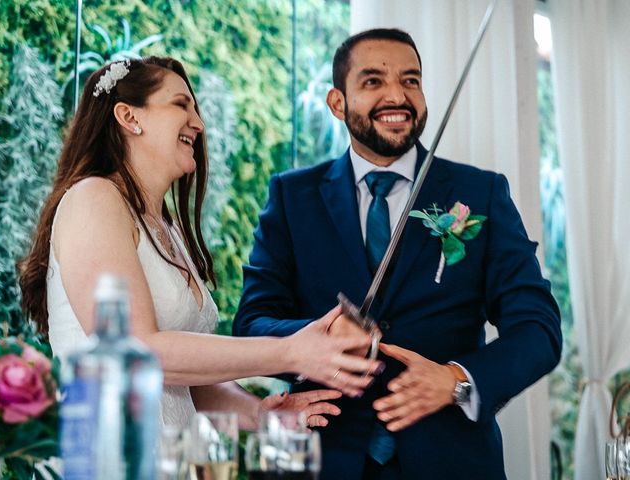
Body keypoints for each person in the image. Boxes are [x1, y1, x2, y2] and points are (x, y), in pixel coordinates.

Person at [233, 29, 562, 479]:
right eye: (372, 82)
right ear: (337, 103)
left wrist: (458, 381)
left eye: (411, 81)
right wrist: (315, 339)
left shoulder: (480, 194)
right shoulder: (293, 198)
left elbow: (538, 329)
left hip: (452, 462)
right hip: (321, 458)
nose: (397, 95)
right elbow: (252, 322)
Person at [19, 56, 384, 432]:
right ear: (129, 118)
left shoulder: (167, 229)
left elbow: (190, 381)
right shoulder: (93, 198)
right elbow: (134, 352)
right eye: (181, 105)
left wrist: (262, 415)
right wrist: (291, 351)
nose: (199, 124)